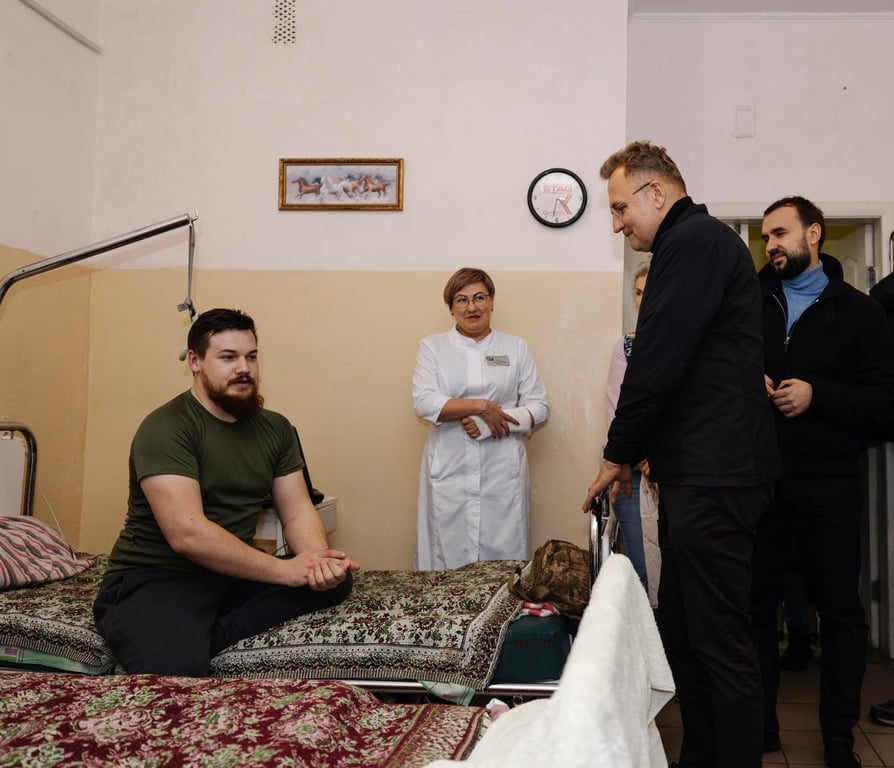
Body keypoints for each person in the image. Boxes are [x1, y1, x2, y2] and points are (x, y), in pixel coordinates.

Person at [582, 140, 780, 768]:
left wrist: (617, 453)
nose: (618, 225)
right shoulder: (693, 243)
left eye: (620, 208)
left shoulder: (692, 243)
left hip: (717, 477)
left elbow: (657, 361)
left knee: (718, 640)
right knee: (686, 632)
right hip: (700, 473)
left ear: (656, 193)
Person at [93, 308, 359, 676]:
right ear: (195, 362)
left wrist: (316, 563)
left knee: (335, 583)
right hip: (157, 579)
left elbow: (298, 510)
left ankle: (206, 635)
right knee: (178, 674)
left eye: (251, 356)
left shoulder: (276, 428)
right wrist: (285, 572)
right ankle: (185, 639)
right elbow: (187, 535)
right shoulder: (167, 427)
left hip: (228, 577)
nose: (244, 368)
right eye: (228, 357)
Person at [750, 197, 894, 768]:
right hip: (761, 482)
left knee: (840, 612)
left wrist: (819, 396)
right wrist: (746, 383)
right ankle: (760, 729)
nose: (771, 245)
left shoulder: (861, 313)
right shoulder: (748, 304)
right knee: (756, 609)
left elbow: (885, 403)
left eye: (780, 233)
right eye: (766, 236)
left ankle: (838, 738)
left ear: (814, 234)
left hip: (831, 483)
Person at [413, 267, 549, 570]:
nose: (471, 307)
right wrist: (481, 406)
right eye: (462, 300)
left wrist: (491, 424)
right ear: (451, 307)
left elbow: (540, 407)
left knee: (503, 560)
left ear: (491, 302)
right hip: (450, 469)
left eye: (479, 297)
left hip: (501, 470)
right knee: (446, 558)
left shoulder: (515, 347)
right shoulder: (433, 347)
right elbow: (423, 403)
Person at [604, 259, 654, 593]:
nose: (642, 300)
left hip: (678, 468)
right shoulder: (626, 346)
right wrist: (639, 455)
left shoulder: (690, 343)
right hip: (630, 469)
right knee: (639, 562)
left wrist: (659, 453)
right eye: (637, 293)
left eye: (649, 291)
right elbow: (617, 409)